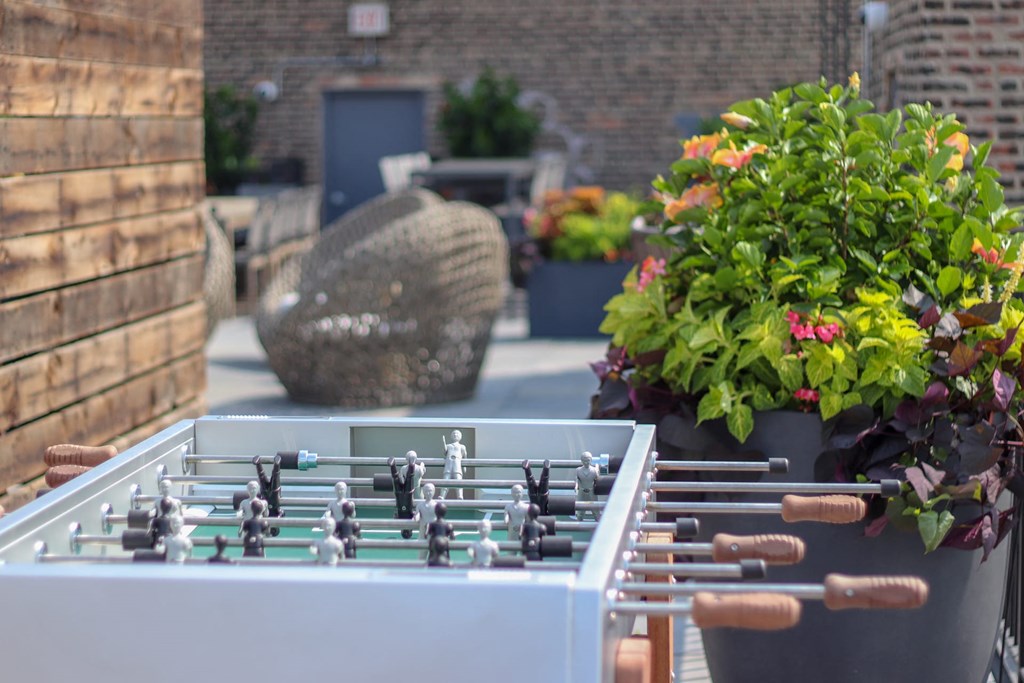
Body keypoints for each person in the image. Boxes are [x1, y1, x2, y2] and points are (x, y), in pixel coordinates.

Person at [440, 429, 467, 500]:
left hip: (457, 465)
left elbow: (465, 457)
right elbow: (445, 452)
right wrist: (443, 443)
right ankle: (442, 495)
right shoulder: (448, 446)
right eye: (454, 434)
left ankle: (460, 495)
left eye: (457, 434)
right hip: (448, 464)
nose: (455, 435)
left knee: (458, 480)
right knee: (445, 480)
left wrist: (464, 467)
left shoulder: (462, 446)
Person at [575, 451, 601, 520]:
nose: (586, 462)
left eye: (588, 460)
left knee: (595, 511)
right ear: (581, 461)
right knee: (580, 512)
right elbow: (576, 480)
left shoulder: (594, 470)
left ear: (591, 460)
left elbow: (598, 481)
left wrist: (598, 471)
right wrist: (576, 487)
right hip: (582, 492)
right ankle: (578, 526)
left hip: (591, 492)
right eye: (584, 461)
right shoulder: (578, 470)